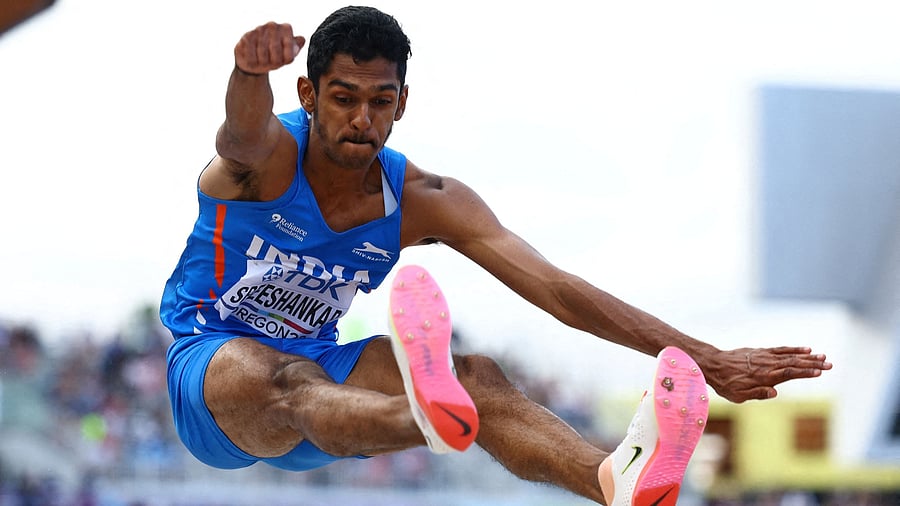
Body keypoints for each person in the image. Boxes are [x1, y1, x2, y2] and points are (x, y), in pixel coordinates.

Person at [159, 6, 832, 505]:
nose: (362, 119)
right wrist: (248, 73)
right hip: (214, 374)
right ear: (307, 95)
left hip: (330, 383)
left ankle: (609, 477)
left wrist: (708, 359)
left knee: (477, 375)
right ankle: (424, 414)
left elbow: (557, 290)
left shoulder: (421, 198)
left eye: (380, 101)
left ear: (402, 104)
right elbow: (240, 133)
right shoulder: (268, 162)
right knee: (272, 376)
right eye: (343, 99)